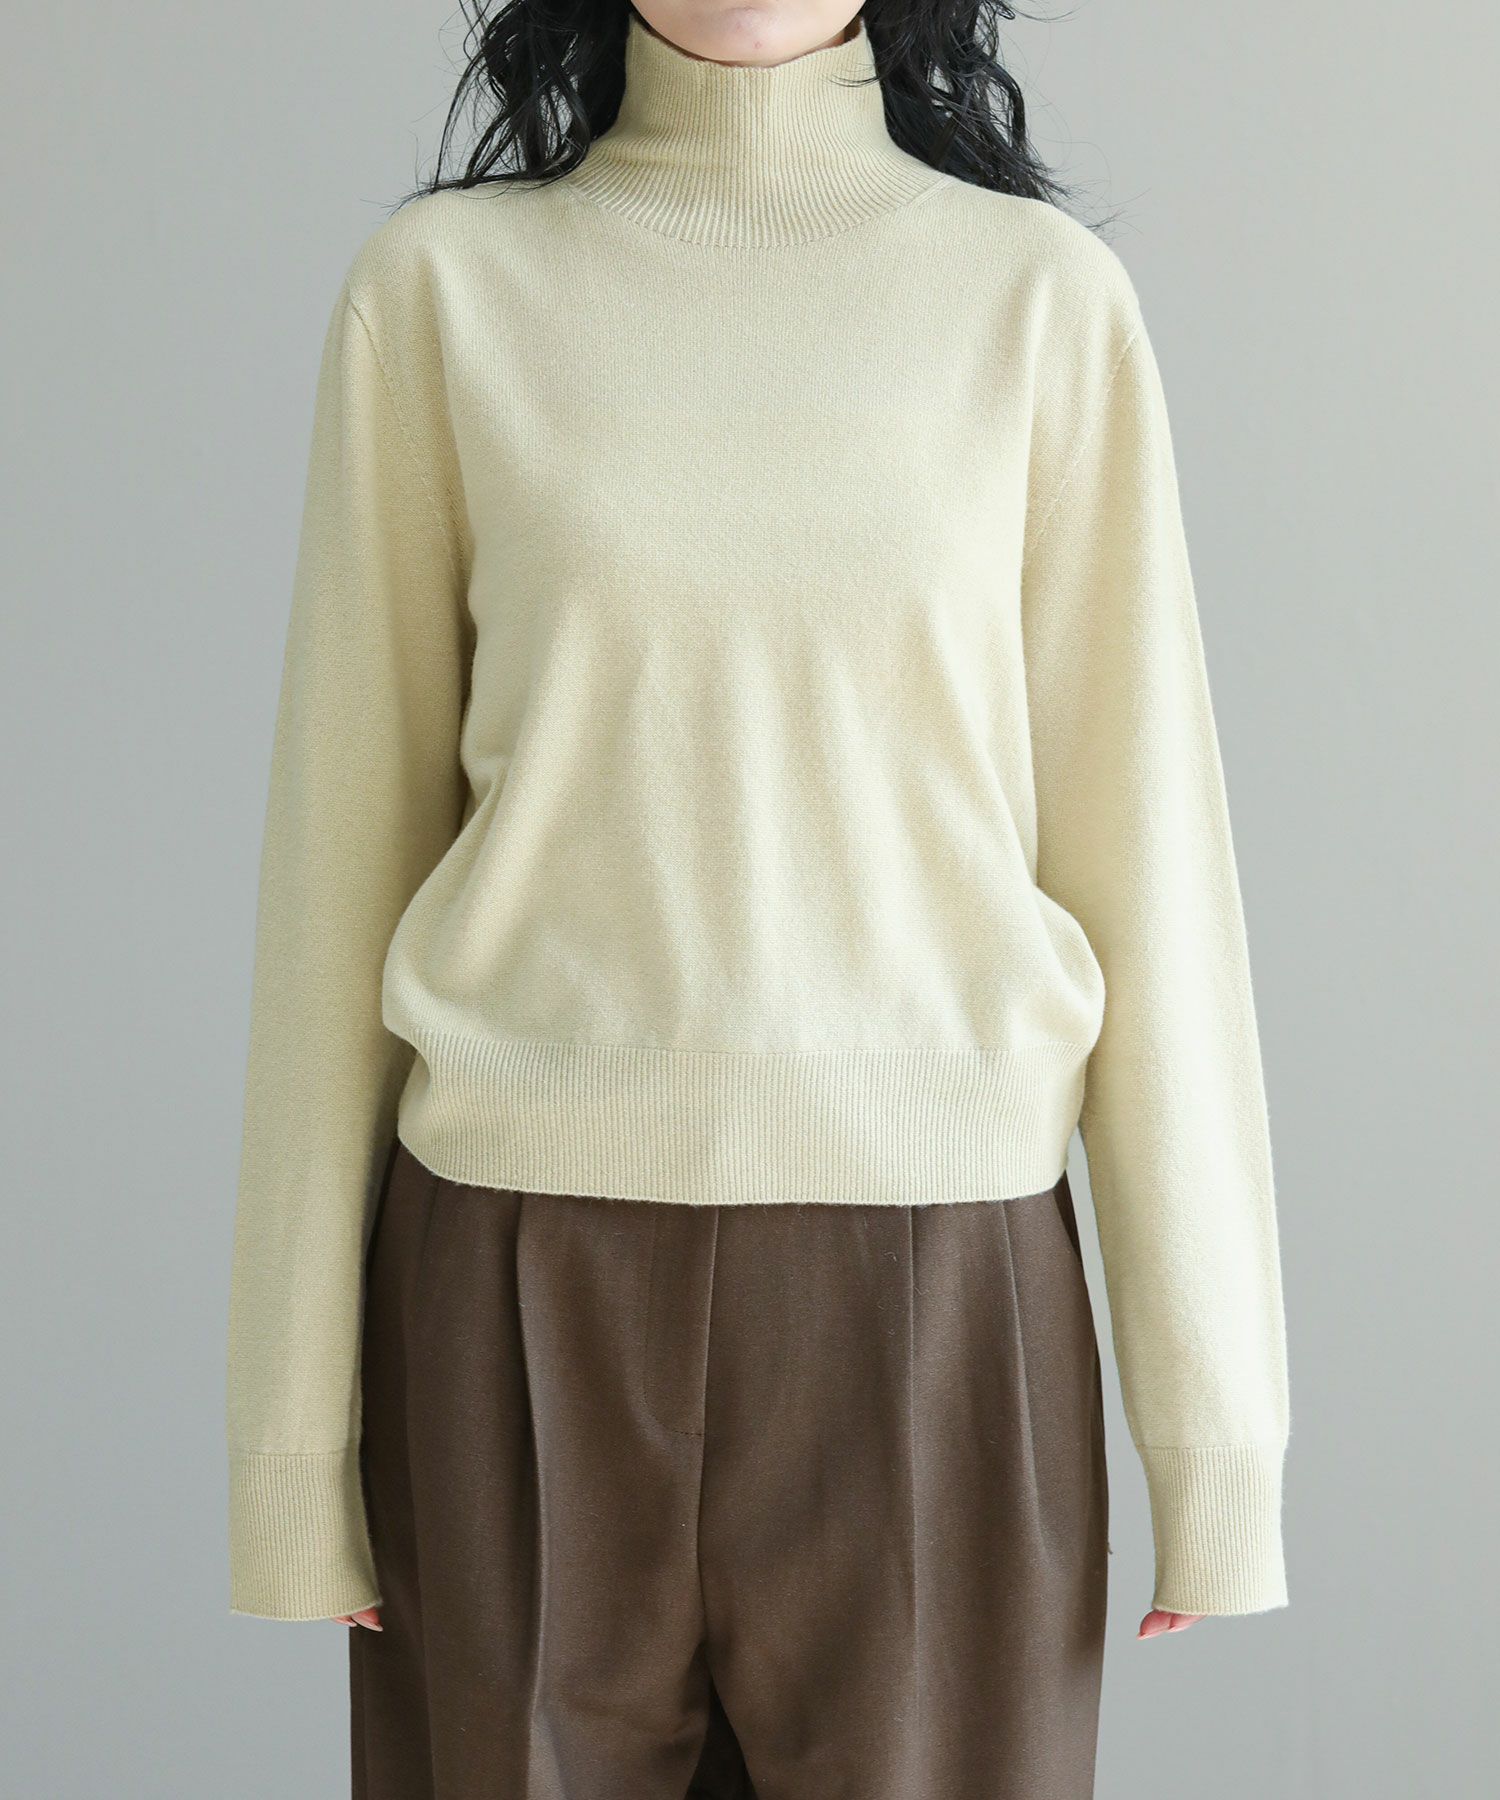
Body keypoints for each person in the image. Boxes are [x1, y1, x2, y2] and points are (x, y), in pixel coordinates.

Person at [225, 3, 1292, 1794]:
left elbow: (1150, 862)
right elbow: (336, 875)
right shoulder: (441, 299)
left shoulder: (1038, 308)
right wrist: (286, 1442)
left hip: (937, 1310)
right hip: (512, 1291)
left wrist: (1218, 1434)